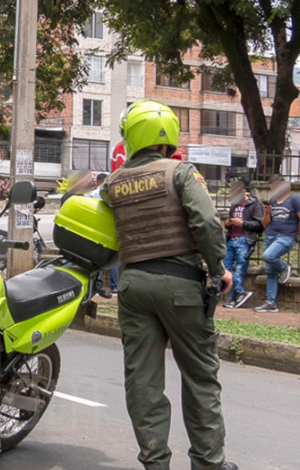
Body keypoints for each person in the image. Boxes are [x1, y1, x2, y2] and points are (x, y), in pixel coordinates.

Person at [102, 99, 236, 470]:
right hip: (181, 287)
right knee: (200, 378)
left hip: (133, 286)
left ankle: (155, 463)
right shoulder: (180, 172)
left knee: (143, 381)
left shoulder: (112, 183)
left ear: (131, 136)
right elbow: (206, 223)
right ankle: (208, 463)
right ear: (169, 136)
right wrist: (219, 269)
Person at [254, 175, 300, 313]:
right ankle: (270, 303)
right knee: (270, 272)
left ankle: (285, 268)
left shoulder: (294, 199)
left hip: (286, 237)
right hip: (270, 236)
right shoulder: (273, 201)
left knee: (268, 256)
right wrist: (267, 213)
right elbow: (264, 224)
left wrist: (295, 233)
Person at [222, 181, 263, 309]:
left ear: (244, 191)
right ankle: (240, 292)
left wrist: (243, 223)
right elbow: (228, 225)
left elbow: (259, 225)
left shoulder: (255, 205)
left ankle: (232, 298)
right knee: (224, 267)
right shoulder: (234, 205)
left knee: (240, 269)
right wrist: (228, 224)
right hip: (231, 239)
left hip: (244, 240)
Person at [89, 173, 118, 295]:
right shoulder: (114, 193)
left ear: (97, 182)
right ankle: (114, 286)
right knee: (112, 257)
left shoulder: (92, 194)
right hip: (111, 228)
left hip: (97, 228)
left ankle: (97, 285)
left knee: (96, 257)